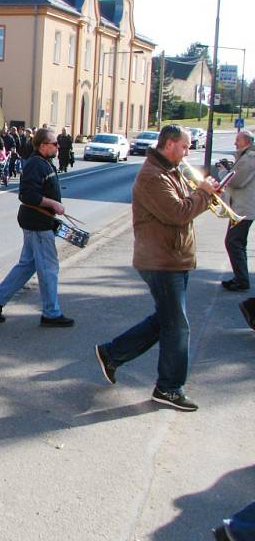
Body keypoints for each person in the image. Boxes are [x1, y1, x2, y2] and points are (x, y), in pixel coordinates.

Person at [94, 125, 214, 411]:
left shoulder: (171, 171)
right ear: (170, 144)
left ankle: (112, 354)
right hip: (160, 261)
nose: (188, 152)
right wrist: (204, 195)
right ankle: (169, 388)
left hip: (173, 257)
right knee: (178, 327)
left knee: (166, 320)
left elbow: (184, 206)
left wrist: (201, 194)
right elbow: (177, 213)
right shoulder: (151, 176)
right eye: (185, 146)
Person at [0, 128, 74, 327]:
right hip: (38, 223)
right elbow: (27, 195)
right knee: (49, 268)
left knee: (28, 264)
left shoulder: (43, 163)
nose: (58, 146)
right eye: (54, 144)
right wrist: (53, 204)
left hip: (38, 221)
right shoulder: (35, 164)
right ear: (43, 146)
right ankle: (51, 313)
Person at [221, 130, 255, 291]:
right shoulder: (246, 157)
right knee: (237, 243)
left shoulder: (248, 158)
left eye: (238, 140)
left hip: (243, 208)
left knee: (233, 242)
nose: (235, 143)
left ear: (246, 142)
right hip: (243, 207)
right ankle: (240, 278)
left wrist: (223, 171)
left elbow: (236, 182)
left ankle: (242, 281)